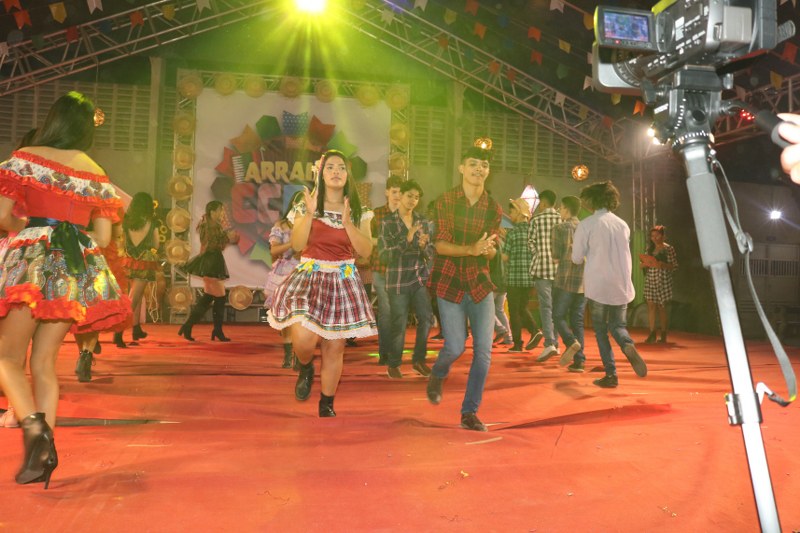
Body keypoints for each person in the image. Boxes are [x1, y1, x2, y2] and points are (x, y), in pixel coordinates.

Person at [0, 91, 131, 488]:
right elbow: (103, 236)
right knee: (44, 363)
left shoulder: (27, 158)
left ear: (53, 119)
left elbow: (3, 216)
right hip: (73, 268)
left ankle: (34, 428)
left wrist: (28, 229)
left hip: (32, 263)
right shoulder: (95, 171)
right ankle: (43, 453)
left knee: (6, 356)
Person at [268, 150, 376, 417]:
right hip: (310, 275)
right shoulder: (306, 204)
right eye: (330, 167)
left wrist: (348, 223)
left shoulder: (359, 210)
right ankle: (305, 366)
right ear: (321, 173)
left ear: (348, 174)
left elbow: (366, 252)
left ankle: (327, 402)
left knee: (334, 346)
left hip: (342, 279)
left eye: (341, 167)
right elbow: (297, 245)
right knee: (304, 339)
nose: (336, 171)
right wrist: (309, 213)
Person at [426, 146, 502, 432]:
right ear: (461, 168)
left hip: (480, 282)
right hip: (449, 281)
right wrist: (471, 249)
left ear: (488, 171)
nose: (478, 169)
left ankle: (469, 412)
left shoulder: (493, 208)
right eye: (473, 164)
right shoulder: (446, 201)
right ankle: (438, 372)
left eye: (483, 165)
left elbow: (491, 251)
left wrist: (487, 250)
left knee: (484, 351)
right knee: (455, 346)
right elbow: (440, 245)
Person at [571, 181, 647, 388]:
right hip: (621, 283)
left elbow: (576, 258)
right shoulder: (622, 224)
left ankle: (611, 375)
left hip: (598, 284)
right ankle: (627, 344)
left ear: (591, 200)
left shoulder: (586, 225)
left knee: (600, 331)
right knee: (618, 326)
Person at [378, 179, 434, 379]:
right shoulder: (388, 222)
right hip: (397, 279)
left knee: (426, 318)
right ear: (400, 195)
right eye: (409, 196)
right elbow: (384, 255)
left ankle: (419, 361)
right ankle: (394, 364)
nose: (413, 200)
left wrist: (423, 246)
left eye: (416, 198)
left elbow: (430, 252)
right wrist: (407, 240)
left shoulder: (422, 221)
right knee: (399, 323)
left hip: (418, 276)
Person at [179, 201, 239, 342]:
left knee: (212, 296)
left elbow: (216, 244)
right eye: (220, 210)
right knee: (217, 296)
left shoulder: (210, 224)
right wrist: (227, 238)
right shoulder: (209, 225)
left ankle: (193, 327)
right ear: (212, 212)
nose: (222, 213)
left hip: (212, 260)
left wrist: (227, 238)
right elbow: (212, 245)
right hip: (211, 261)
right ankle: (211, 330)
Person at [264, 190, 304, 368]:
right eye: (301, 204)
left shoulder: (311, 225)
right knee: (286, 317)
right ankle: (288, 354)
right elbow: (274, 250)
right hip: (284, 274)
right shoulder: (281, 225)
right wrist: (292, 244)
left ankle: (299, 356)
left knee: (300, 317)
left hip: (305, 273)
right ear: (293, 204)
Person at [502, 198, 543, 353]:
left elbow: (505, 257)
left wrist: (497, 248)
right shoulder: (534, 233)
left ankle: (519, 342)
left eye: (512, 211)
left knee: (515, 312)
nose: (510, 214)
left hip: (513, 278)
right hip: (529, 278)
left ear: (519, 212)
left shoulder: (512, 234)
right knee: (522, 308)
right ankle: (534, 331)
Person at [119, 192, 160, 347]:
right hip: (144, 261)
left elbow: (121, 240)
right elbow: (156, 244)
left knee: (136, 295)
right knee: (134, 298)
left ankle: (136, 328)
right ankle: (118, 332)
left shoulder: (126, 221)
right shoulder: (152, 222)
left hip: (128, 260)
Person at [370, 176, 403, 365]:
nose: (397, 196)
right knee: (386, 309)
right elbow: (369, 239)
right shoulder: (377, 214)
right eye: (394, 192)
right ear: (387, 193)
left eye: (400, 192)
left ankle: (394, 352)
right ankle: (384, 352)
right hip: (381, 268)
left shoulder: (407, 215)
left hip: (402, 271)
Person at [552, 196, 587, 372]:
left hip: (565, 279)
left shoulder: (559, 228)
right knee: (577, 320)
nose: (560, 211)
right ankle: (579, 361)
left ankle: (571, 341)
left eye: (561, 208)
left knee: (557, 315)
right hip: (584, 281)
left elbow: (556, 256)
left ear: (566, 209)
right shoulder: (586, 228)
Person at [529, 189, 561, 362]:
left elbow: (531, 243)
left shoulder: (536, 220)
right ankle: (555, 342)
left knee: (545, 307)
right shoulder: (561, 219)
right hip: (559, 270)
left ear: (542, 202)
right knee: (557, 308)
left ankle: (549, 343)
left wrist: (539, 255)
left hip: (541, 269)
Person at [641, 225, 678, 343]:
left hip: (663, 280)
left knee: (662, 307)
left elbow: (674, 266)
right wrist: (645, 264)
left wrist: (663, 265)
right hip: (650, 279)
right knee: (651, 306)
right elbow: (643, 264)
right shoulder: (649, 248)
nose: (654, 238)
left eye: (657, 236)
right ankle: (652, 333)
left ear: (663, 236)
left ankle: (663, 333)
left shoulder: (668, 248)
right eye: (652, 236)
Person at [489, 227, 512, 346]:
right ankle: (508, 338)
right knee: (499, 310)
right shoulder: (503, 243)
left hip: (493, 281)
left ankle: (500, 329)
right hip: (504, 281)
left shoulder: (492, 244)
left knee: (486, 310)